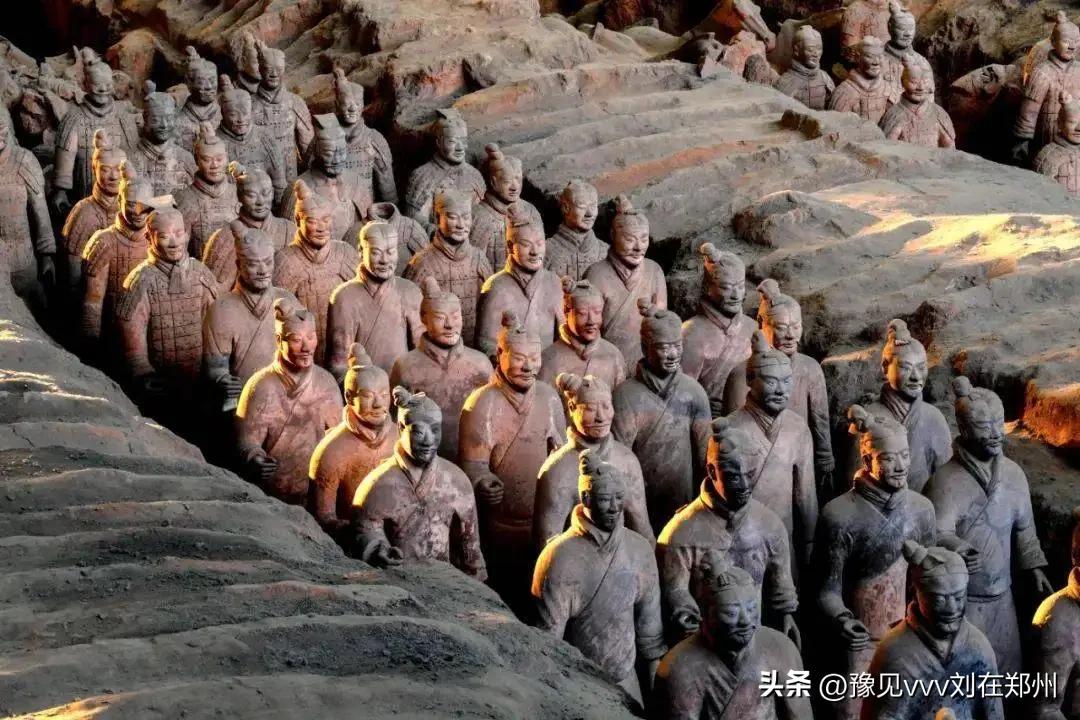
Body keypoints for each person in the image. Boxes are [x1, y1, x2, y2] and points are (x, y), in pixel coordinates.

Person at [532, 449, 666, 705]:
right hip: (578, 687)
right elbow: (548, 644)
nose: (614, 508)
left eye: (619, 498)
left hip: (627, 683)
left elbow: (650, 637)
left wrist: (657, 697)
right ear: (586, 498)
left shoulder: (639, 550)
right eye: (605, 499)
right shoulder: (558, 557)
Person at [652, 552, 811, 720]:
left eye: (751, 609)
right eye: (731, 613)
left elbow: (800, 715)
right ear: (706, 612)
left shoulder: (781, 648)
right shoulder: (678, 666)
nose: (746, 620)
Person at [352, 386, 486, 579]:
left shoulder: (457, 481)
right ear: (401, 428)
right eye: (419, 432)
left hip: (444, 583)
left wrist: (475, 585)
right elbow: (366, 532)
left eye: (435, 430)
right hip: (397, 584)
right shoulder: (378, 485)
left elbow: (470, 550)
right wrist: (378, 549)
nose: (428, 441)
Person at [235, 299, 343, 505]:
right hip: (273, 497)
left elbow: (338, 438)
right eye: (296, 339)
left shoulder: (326, 383)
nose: (306, 347)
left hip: (319, 494)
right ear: (279, 340)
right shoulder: (260, 386)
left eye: (311, 337)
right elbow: (247, 442)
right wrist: (256, 459)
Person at [309, 344, 397, 535]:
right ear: (349, 397)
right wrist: (355, 533)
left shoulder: (402, 440)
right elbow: (323, 518)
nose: (378, 404)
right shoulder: (331, 451)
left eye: (384, 395)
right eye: (368, 396)